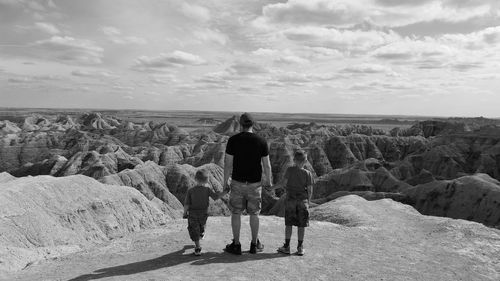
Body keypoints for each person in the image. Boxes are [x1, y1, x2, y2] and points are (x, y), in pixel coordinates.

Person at [223, 112, 272, 255]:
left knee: (236, 213)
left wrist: (225, 181)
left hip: (237, 182)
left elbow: (227, 164)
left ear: (240, 124)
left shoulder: (233, 140)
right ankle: (254, 244)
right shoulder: (261, 141)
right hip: (255, 184)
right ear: (253, 124)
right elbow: (267, 165)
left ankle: (236, 244)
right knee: (254, 213)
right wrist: (268, 181)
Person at [267, 150, 313, 256]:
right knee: (301, 225)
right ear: (305, 161)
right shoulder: (308, 174)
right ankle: (300, 247)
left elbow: (283, 183)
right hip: (303, 202)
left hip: (290, 201)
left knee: (289, 224)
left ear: (294, 160)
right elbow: (310, 190)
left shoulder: (290, 170)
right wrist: (308, 202)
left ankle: (287, 246)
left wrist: (272, 187)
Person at [184, 169, 227, 256]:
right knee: (201, 225)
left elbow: (187, 204)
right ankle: (201, 233)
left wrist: (185, 213)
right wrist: (225, 192)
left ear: (195, 179)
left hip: (192, 214)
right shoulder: (207, 190)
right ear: (207, 180)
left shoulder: (190, 191)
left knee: (193, 229)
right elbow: (216, 197)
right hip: (204, 213)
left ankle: (197, 247)